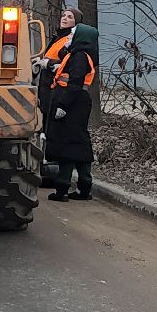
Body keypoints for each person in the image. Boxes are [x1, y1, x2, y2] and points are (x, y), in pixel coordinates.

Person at [45, 19, 98, 202]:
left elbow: (74, 83)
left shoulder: (79, 57)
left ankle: (62, 189)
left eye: (73, 35)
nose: (69, 37)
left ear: (80, 38)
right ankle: (84, 188)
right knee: (78, 144)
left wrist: (62, 106)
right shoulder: (78, 54)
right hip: (77, 101)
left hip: (72, 102)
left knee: (67, 145)